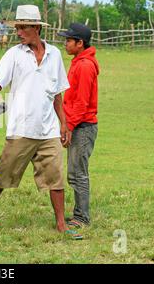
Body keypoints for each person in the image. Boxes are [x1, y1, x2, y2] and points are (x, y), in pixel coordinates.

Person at [0, 5, 82, 240]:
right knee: (4, 174)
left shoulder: (54, 55)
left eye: (23, 27)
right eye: (18, 27)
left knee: (56, 177)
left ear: (36, 28)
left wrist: (63, 124)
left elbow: (57, 94)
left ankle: (61, 224)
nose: (19, 32)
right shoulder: (14, 54)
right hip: (21, 127)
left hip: (49, 129)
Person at [58, 23, 99, 228]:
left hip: (83, 126)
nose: (65, 44)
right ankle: (78, 214)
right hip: (78, 124)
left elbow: (82, 102)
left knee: (78, 173)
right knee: (74, 172)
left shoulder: (84, 66)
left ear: (79, 43)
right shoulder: (79, 62)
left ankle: (82, 217)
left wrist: (69, 126)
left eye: (68, 40)